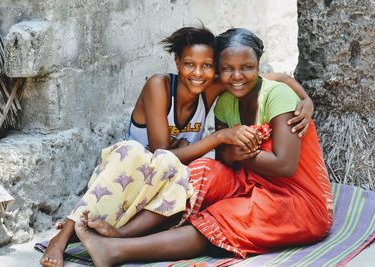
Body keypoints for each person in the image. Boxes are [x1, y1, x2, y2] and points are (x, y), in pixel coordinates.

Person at [39, 26, 314, 267]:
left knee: (186, 172)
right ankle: (60, 239)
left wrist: (305, 100)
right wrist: (219, 138)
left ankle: (119, 240)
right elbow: (160, 153)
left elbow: (275, 78)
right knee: (133, 153)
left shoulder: (213, 88)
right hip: (128, 175)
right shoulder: (158, 86)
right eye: (189, 64)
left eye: (207, 66)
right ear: (177, 62)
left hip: (166, 180)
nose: (198, 73)